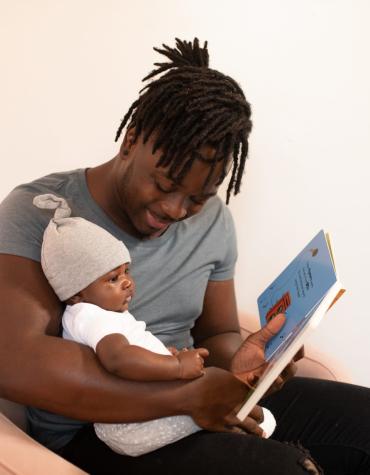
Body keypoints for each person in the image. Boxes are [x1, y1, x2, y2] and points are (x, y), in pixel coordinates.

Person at [0, 38, 369, 475]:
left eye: (197, 197)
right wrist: (185, 397)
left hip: (195, 393)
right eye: (164, 184)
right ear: (131, 139)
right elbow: (15, 362)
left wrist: (247, 363)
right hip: (99, 429)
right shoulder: (40, 211)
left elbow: (217, 335)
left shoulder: (213, 220)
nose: (175, 211)